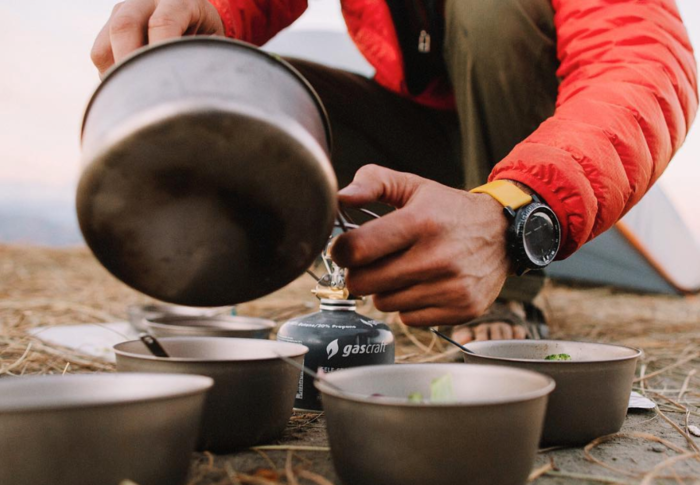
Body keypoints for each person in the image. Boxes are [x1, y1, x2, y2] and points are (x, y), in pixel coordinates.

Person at [91, 0, 697, 342]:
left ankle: (506, 298)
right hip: (419, 140)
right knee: (264, 89)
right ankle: (299, 277)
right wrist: (206, 11)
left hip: (522, 144)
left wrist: (514, 214)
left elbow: (640, 63)